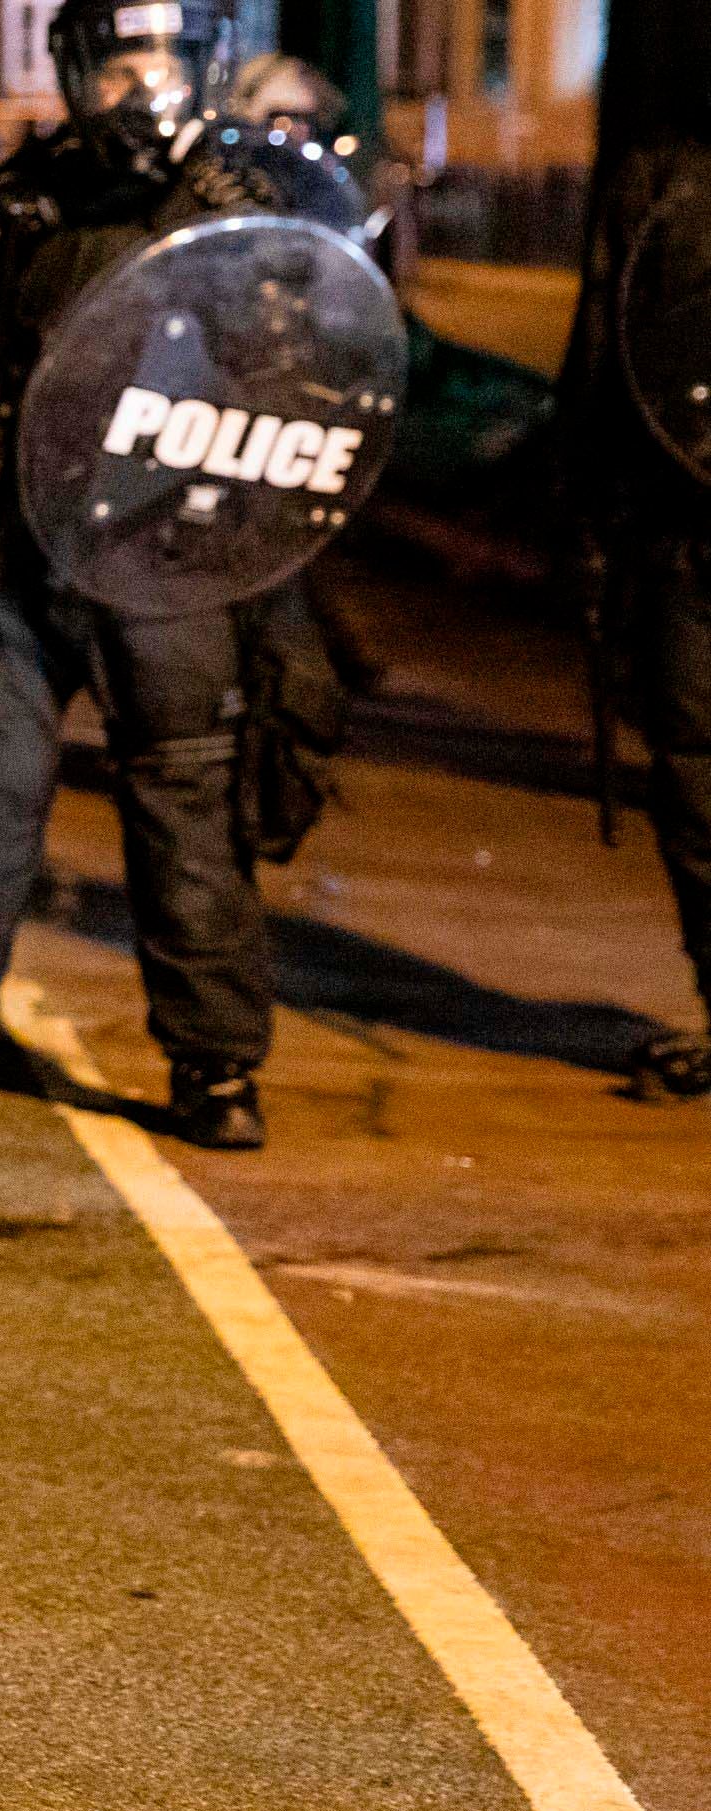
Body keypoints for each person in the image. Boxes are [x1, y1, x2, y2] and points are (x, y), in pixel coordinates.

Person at [0, 0, 282, 1149]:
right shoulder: (18, 206)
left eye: (162, 60)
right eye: (119, 62)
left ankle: (214, 1063)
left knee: (187, 801)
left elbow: (319, 374)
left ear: (204, 66)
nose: (141, 86)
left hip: (174, 550)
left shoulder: (245, 217)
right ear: (78, 71)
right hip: (14, 546)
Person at [563, 106, 711, 1102]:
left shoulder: (664, 184)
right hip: (681, 531)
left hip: (674, 529)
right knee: (698, 785)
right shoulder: (661, 186)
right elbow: (604, 363)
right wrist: (593, 513)